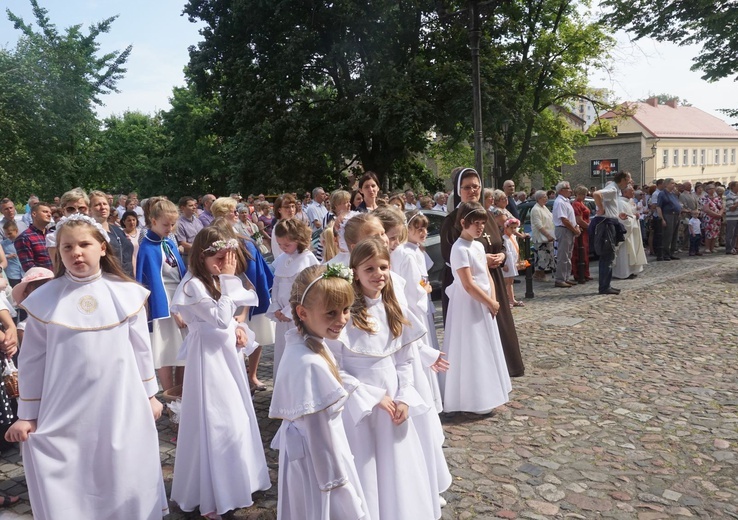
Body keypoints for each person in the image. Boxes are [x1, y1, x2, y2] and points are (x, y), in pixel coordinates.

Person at [5, 214, 168, 519]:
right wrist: (27, 416)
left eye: (84, 244)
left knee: (123, 469)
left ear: (103, 248)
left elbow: (140, 349)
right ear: (58, 253)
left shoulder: (125, 292)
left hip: (121, 401)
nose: (76, 252)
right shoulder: (45, 300)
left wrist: (150, 395)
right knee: (74, 474)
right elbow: (32, 362)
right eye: (67, 247)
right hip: (65, 406)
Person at [331, 237, 436, 520]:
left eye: (383, 267)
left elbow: (405, 359)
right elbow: (334, 366)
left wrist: (404, 396)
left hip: (394, 397)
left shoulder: (393, 308)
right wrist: (372, 397)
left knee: (397, 461)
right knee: (365, 460)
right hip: (360, 403)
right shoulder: (345, 314)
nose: (378, 274)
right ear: (355, 271)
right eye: (369, 269)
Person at [170, 229, 270, 518]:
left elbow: (234, 315)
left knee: (237, 416)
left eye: (229, 259)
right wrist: (227, 283)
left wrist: (240, 328)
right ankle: (212, 490)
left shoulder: (217, 280)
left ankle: (242, 478)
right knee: (216, 419)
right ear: (201, 256)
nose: (225, 264)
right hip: (209, 362)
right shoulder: (192, 287)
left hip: (228, 358)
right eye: (219, 258)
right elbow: (218, 317)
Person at [269, 264, 371, 520]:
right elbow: (319, 434)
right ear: (302, 312)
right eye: (331, 313)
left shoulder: (305, 343)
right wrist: (338, 487)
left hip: (315, 457)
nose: (342, 319)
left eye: (346, 310)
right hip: (320, 469)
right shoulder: (309, 362)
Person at [440, 167, 524, 378]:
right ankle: (476, 377)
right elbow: (449, 254)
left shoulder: (487, 216)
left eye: (476, 186)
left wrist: (503, 256)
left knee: (498, 325)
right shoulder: (451, 220)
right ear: (458, 190)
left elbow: (499, 243)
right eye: (467, 187)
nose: (472, 191)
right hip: (467, 284)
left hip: (492, 278)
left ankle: (503, 367)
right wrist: (480, 260)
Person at [442, 202, 512, 414]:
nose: (480, 227)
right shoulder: (459, 248)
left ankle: (489, 393)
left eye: (482, 223)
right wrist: (489, 301)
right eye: (476, 224)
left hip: (483, 302)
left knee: (485, 346)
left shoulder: (479, 246)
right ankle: (471, 399)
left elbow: (486, 275)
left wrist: (493, 297)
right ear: (464, 223)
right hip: (468, 304)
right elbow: (468, 283)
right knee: (471, 348)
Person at [136, 199, 187, 392]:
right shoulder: (148, 247)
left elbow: (180, 273)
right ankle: (169, 396)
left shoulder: (168, 242)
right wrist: (173, 311)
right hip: (163, 308)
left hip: (178, 301)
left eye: (173, 224)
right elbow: (153, 285)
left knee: (182, 351)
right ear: (153, 221)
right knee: (166, 353)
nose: (170, 228)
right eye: (166, 224)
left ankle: (180, 392)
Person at [267, 219, 319, 378]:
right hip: (282, 316)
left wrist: (289, 311)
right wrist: (275, 306)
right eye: (280, 245)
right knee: (283, 351)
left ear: (299, 239)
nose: (283, 248)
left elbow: (306, 289)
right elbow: (276, 284)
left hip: (298, 316)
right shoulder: (282, 258)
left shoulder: (307, 258)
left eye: (287, 245)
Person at [591, 171, 631, 295]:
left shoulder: (615, 189)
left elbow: (609, 206)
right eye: (628, 180)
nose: (629, 183)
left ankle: (606, 285)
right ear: (623, 179)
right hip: (606, 224)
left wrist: (618, 215)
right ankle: (604, 287)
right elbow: (596, 194)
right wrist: (601, 209)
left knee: (609, 256)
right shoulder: (613, 189)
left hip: (610, 222)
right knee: (607, 256)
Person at [89, 191, 134, 278]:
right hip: (108, 280)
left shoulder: (117, 230)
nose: (102, 207)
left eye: (105, 204)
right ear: (90, 210)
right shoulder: (91, 232)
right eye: (97, 205)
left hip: (127, 279)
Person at [612, 186, 647, 279]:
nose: (633, 192)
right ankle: (623, 273)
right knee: (624, 252)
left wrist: (635, 216)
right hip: (625, 233)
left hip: (632, 231)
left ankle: (631, 271)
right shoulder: (621, 203)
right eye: (631, 191)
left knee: (632, 250)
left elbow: (631, 215)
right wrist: (635, 217)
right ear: (625, 192)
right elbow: (622, 219)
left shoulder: (629, 202)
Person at [551, 181, 580, 288]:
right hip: (563, 230)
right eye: (568, 189)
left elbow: (570, 218)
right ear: (561, 190)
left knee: (568, 255)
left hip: (568, 230)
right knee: (563, 256)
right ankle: (560, 279)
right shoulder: (560, 202)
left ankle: (566, 277)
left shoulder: (566, 201)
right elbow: (564, 219)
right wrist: (574, 229)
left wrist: (576, 226)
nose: (570, 190)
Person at [14, 202, 53, 272]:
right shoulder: (24, 238)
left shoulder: (52, 235)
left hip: (60, 279)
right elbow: (28, 266)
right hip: (42, 281)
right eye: (45, 212)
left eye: (50, 212)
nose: (49, 214)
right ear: (34, 214)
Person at [530, 190, 555, 281]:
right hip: (541, 238)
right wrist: (547, 235)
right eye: (544, 197)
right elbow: (538, 225)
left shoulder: (544, 207)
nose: (546, 198)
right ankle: (538, 274)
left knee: (547, 256)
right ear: (539, 198)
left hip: (548, 236)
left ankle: (541, 274)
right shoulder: (535, 209)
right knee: (541, 257)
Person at [655, 178, 682, 260]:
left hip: (676, 215)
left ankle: (671, 252)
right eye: (672, 183)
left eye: (674, 183)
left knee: (674, 235)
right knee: (668, 235)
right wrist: (662, 218)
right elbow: (659, 207)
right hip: (668, 215)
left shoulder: (673, 194)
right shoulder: (662, 194)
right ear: (666, 184)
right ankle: (665, 253)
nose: (674, 185)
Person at [570, 185, 592, 282]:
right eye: (582, 194)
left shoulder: (581, 203)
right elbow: (578, 220)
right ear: (577, 194)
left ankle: (585, 273)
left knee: (585, 251)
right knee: (580, 252)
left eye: (585, 194)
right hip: (581, 230)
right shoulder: (576, 204)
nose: (584, 196)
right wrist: (589, 226)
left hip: (585, 230)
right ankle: (579, 274)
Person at [175, 196, 204, 266]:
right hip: (189, 257)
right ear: (182, 208)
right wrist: (199, 249)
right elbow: (182, 243)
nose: (194, 207)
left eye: (195, 205)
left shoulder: (197, 220)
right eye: (191, 205)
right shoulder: (179, 224)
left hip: (202, 254)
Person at [502, 218, 524, 307]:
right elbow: (504, 251)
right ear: (506, 227)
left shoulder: (513, 237)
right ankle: (508, 299)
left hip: (512, 261)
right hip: (507, 262)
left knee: (510, 281)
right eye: (511, 228)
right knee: (507, 281)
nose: (513, 230)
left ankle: (512, 299)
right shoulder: (504, 238)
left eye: (515, 228)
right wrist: (504, 264)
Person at [701, 183, 723, 254]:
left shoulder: (717, 198)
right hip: (709, 219)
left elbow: (722, 207)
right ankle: (707, 248)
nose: (712, 190)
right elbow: (706, 209)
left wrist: (719, 214)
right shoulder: (704, 198)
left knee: (715, 233)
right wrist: (716, 214)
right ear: (707, 190)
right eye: (710, 189)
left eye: (713, 188)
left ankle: (712, 247)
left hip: (717, 219)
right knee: (708, 233)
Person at [1, 221, 24, 286]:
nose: (7, 236)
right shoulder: (3, 244)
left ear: (16, 231)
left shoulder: (23, 241)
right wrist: (7, 256)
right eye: (6, 234)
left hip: (25, 272)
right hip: (13, 274)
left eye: (10, 233)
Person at [121, 210, 141, 275]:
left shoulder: (141, 233)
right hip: (128, 264)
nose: (132, 222)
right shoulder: (121, 234)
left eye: (133, 220)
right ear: (124, 222)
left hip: (141, 261)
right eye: (129, 220)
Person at [725, 181, 738, 254]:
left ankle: (733, 247)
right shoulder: (729, 196)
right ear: (733, 187)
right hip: (732, 218)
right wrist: (736, 204)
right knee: (730, 234)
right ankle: (729, 249)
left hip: (737, 217)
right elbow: (731, 208)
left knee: (736, 234)